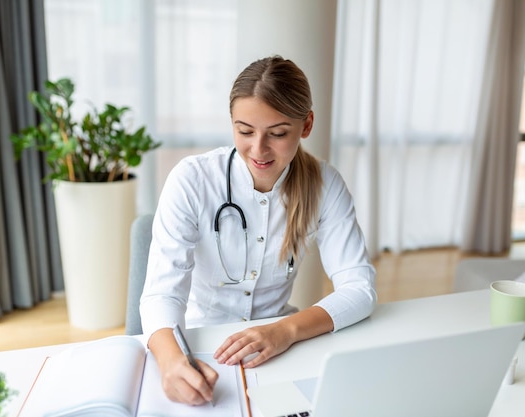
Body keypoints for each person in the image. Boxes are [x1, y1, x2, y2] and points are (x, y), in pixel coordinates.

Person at [139, 55, 377, 406]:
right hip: (201, 343)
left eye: (278, 133)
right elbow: (162, 294)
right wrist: (172, 362)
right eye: (245, 131)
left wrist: (286, 330)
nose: (259, 150)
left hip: (281, 347)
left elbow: (360, 289)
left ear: (306, 125)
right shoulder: (192, 180)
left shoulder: (325, 184)